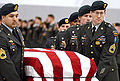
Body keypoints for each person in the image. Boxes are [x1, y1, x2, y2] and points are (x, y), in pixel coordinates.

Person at [77, 1, 119, 81]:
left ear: (105, 13)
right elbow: (80, 53)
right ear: (91, 13)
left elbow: (107, 58)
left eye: (102, 13)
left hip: (106, 74)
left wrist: (97, 76)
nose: (99, 16)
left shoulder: (110, 31)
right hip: (88, 72)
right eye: (96, 13)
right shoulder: (83, 29)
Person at [0, 3, 24, 81]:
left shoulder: (17, 31)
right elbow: (5, 65)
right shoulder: (1, 35)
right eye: (11, 16)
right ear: (3, 17)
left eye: (16, 16)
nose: (15, 19)